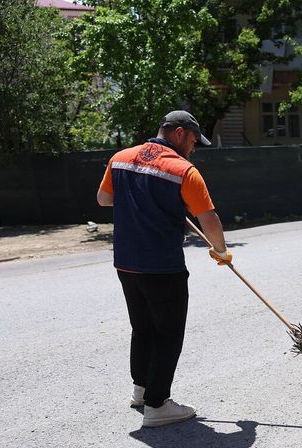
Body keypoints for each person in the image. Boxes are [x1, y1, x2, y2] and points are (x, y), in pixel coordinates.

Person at [96, 110, 232, 428]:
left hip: (126, 263)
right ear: (181, 133)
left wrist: (142, 201)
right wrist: (222, 252)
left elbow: (104, 199)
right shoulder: (183, 170)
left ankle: (141, 391)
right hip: (162, 266)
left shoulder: (120, 158)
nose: (195, 148)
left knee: (143, 328)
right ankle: (157, 405)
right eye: (195, 140)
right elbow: (208, 218)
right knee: (169, 334)